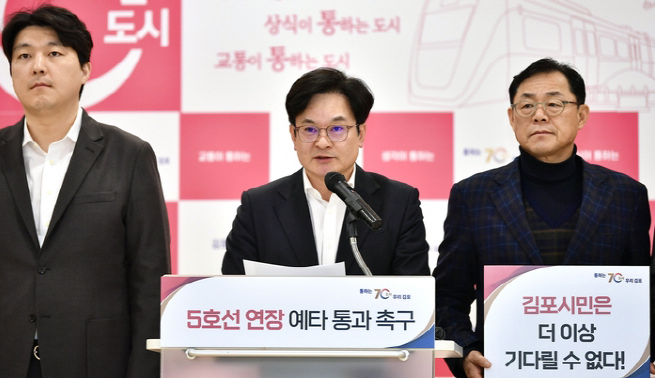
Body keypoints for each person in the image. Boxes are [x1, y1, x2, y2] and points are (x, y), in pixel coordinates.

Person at [433, 57, 652, 378]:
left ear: (581, 115)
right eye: (526, 106)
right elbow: (448, 295)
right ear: (512, 118)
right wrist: (467, 351)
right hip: (506, 370)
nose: (539, 115)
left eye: (554, 103)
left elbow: (643, 295)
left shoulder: (626, 195)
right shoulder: (473, 195)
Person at [0, 4, 170, 378]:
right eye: (24, 55)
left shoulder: (129, 155)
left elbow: (149, 280)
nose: (38, 66)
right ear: (10, 71)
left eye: (54, 53)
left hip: (97, 363)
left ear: (85, 69)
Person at [222, 67, 430, 276]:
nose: (322, 142)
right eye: (309, 129)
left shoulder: (399, 203)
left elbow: (413, 290)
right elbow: (233, 288)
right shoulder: (258, 206)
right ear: (293, 136)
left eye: (337, 129)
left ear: (360, 134)